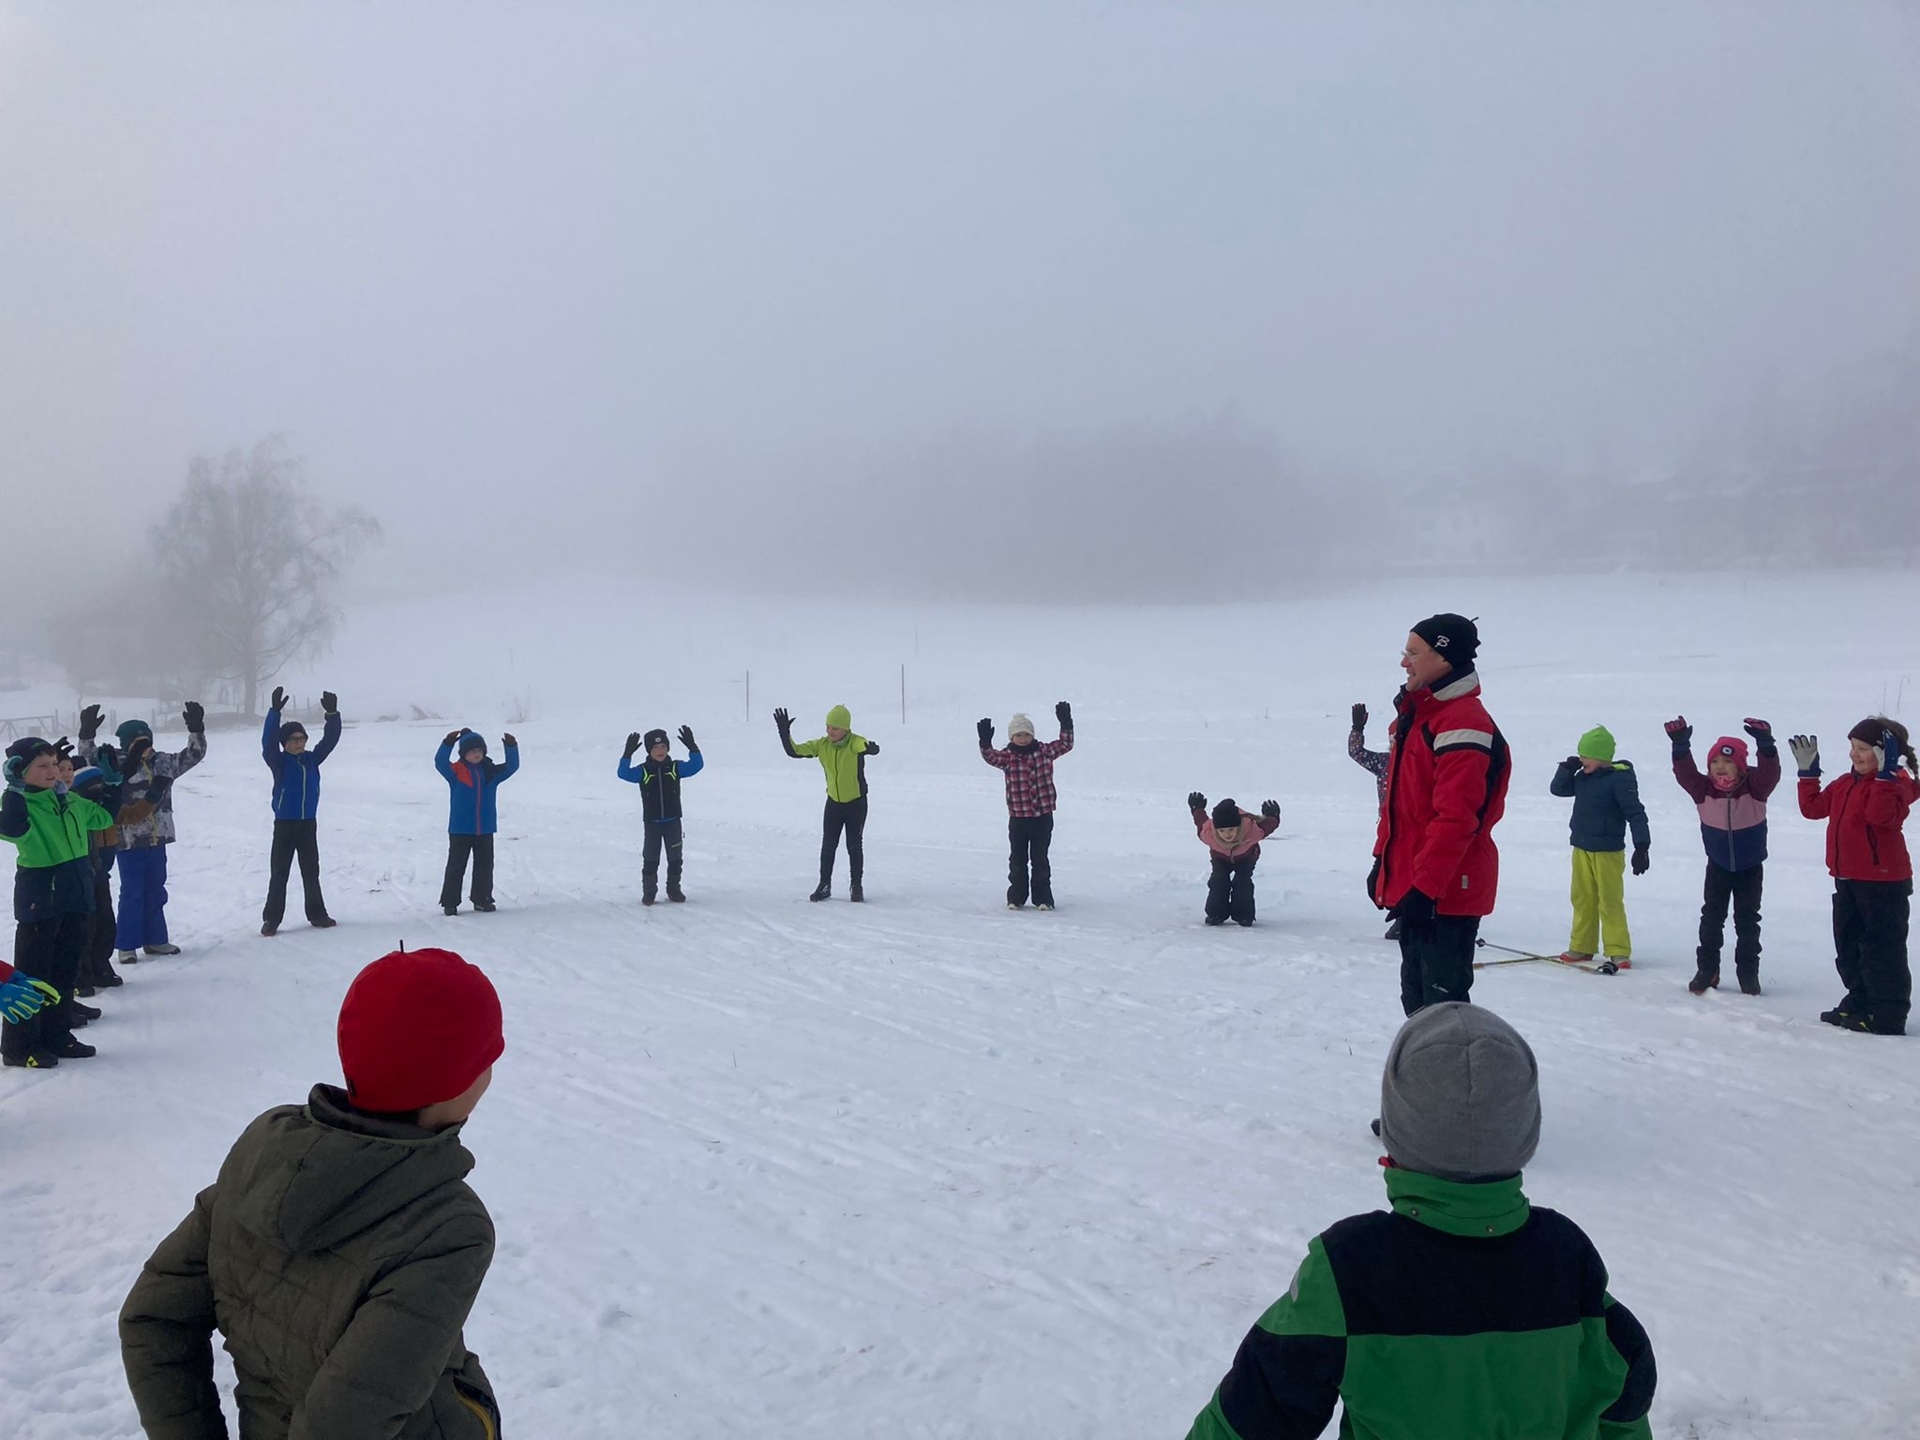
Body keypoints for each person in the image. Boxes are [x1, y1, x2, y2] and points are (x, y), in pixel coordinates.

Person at [1183, 1003, 1656, 1440]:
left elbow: (1252, 1416)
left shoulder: (1351, 1267)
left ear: (1398, 1134)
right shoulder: (1564, 1253)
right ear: (1525, 1132)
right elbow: (1623, 1392)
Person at [121, 946, 506, 1437]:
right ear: (454, 1081)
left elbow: (153, 1317)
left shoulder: (263, 1159)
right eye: (486, 1058)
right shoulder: (446, 1226)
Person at [1368, 614, 1510, 1015]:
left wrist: (1425, 889)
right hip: (1421, 888)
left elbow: (1455, 820)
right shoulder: (1418, 716)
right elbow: (1399, 807)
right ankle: (1419, 1077)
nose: (1404, 663)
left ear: (1444, 659)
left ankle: (1444, 1078)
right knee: (1416, 1004)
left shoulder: (1463, 722)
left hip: (1448, 893)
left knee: (1442, 1012)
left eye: (1413, 653)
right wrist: (1381, 860)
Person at [1793, 717, 1917, 1035]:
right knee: (1849, 945)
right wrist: (1808, 774)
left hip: (1883, 883)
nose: (1854, 754)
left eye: (1862, 749)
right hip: (1847, 878)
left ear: (1885, 753)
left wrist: (1887, 776)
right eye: (1852, 747)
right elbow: (1813, 808)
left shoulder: (1897, 783)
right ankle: (1861, 1001)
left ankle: (1887, 1014)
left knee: (1882, 950)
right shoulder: (1846, 783)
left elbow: (1881, 816)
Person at [1, 736, 117, 1068]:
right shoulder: (18, 804)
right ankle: (19, 1046)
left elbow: (105, 818)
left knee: (65, 972)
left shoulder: (68, 801)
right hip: (41, 897)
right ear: (21, 771)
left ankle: (57, 1035)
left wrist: (111, 783)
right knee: (33, 976)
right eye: (43, 766)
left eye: (54, 764)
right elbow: (9, 827)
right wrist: (14, 789)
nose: (53, 771)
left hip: (75, 895)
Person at [78, 700, 207, 962]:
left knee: (156, 891)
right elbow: (86, 758)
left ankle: (156, 939)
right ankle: (126, 945)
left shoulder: (163, 762)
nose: (143, 745)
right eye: (137, 741)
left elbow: (193, 755)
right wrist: (86, 734)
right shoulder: (113, 763)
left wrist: (196, 729)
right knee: (132, 893)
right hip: (128, 841)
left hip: (157, 838)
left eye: (146, 740)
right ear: (126, 743)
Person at [1666, 716, 1780, 995]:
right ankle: (1708, 970)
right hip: (1717, 865)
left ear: (1741, 767)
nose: (1720, 767)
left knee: (1748, 921)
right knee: (1712, 918)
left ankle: (1748, 973)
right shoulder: (1703, 789)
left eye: (1727, 762)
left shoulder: (1756, 788)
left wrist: (1766, 745)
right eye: (1715, 763)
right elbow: (1685, 774)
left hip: (1750, 867)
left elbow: (1770, 772)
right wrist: (1681, 747)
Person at [1549, 726, 1651, 968]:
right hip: (1581, 847)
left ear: (1602, 757)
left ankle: (1618, 950)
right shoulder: (1582, 778)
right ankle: (1582, 946)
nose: (1582, 760)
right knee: (1582, 897)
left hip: (1608, 851)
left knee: (1610, 900)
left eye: (1585, 756)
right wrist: (1567, 769)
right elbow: (1557, 790)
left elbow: (1636, 813)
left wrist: (1642, 846)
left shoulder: (1619, 780)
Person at [260, 686, 343, 936]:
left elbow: (330, 740)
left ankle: (317, 914)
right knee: (279, 873)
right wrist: (274, 712)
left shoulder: (311, 759)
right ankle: (271, 920)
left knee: (311, 871)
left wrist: (332, 715)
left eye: (301, 739)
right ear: (284, 743)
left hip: (308, 823)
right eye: (293, 740)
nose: (298, 743)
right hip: (285, 824)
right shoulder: (279, 761)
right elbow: (267, 742)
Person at [776, 704, 879, 902]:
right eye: (828, 726)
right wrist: (784, 732)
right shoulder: (822, 745)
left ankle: (856, 885)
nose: (830, 731)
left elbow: (862, 745)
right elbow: (794, 751)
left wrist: (870, 749)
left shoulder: (854, 743)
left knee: (854, 845)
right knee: (828, 845)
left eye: (835, 728)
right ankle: (824, 885)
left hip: (856, 803)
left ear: (846, 729)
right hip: (833, 803)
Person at [978, 702, 1074, 910]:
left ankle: (1043, 899)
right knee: (1018, 860)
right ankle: (1016, 897)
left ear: (1032, 735)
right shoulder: (1007, 757)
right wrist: (985, 743)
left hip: (1042, 816)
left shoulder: (1044, 752)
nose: (1023, 739)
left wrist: (1066, 724)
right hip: (1019, 818)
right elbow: (990, 757)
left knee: (1040, 859)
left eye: (1026, 735)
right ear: (1012, 738)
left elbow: (1065, 745)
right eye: (1018, 736)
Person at [436, 729, 520, 916]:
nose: (476, 754)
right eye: (471, 751)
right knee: (456, 867)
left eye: (479, 751)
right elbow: (440, 762)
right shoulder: (455, 773)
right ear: (464, 754)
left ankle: (482, 900)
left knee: (484, 866)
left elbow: (512, 767)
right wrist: (447, 743)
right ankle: (450, 902)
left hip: (485, 829)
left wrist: (511, 746)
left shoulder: (490, 773)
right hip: (460, 829)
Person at [61, 748, 125, 995]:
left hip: (97, 871)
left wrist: (113, 784)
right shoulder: (68, 801)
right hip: (74, 875)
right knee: (81, 929)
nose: (66, 774)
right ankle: (81, 976)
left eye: (69, 770)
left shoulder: (89, 804)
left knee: (105, 924)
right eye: (62, 769)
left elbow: (109, 813)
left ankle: (101, 967)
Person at [617, 724, 704, 905]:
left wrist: (693, 747)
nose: (660, 751)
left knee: (675, 859)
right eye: (656, 748)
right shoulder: (643, 771)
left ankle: (674, 890)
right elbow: (623, 773)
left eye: (663, 747)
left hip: (673, 822)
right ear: (649, 750)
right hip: (653, 824)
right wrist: (627, 754)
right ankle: (649, 892)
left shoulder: (674, 768)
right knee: (651, 859)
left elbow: (697, 765)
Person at [1189, 793, 1281, 926]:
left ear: (1239, 827)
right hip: (1220, 858)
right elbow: (1200, 820)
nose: (1227, 834)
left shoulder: (1252, 831)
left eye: (1231, 830)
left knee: (1242, 882)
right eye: (1222, 831)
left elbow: (1268, 826)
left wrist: (1273, 816)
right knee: (1218, 881)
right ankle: (1216, 914)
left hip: (1246, 857)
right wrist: (1197, 809)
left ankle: (1243, 915)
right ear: (1216, 829)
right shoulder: (1208, 834)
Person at [1347, 701, 1397, 939]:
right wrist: (1357, 730)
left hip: (1414, 826)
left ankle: (1407, 918)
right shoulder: (1385, 762)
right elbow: (1357, 753)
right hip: (1387, 826)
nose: (1394, 744)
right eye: (1393, 740)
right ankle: (1400, 912)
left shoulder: (1418, 761)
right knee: (1383, 874)